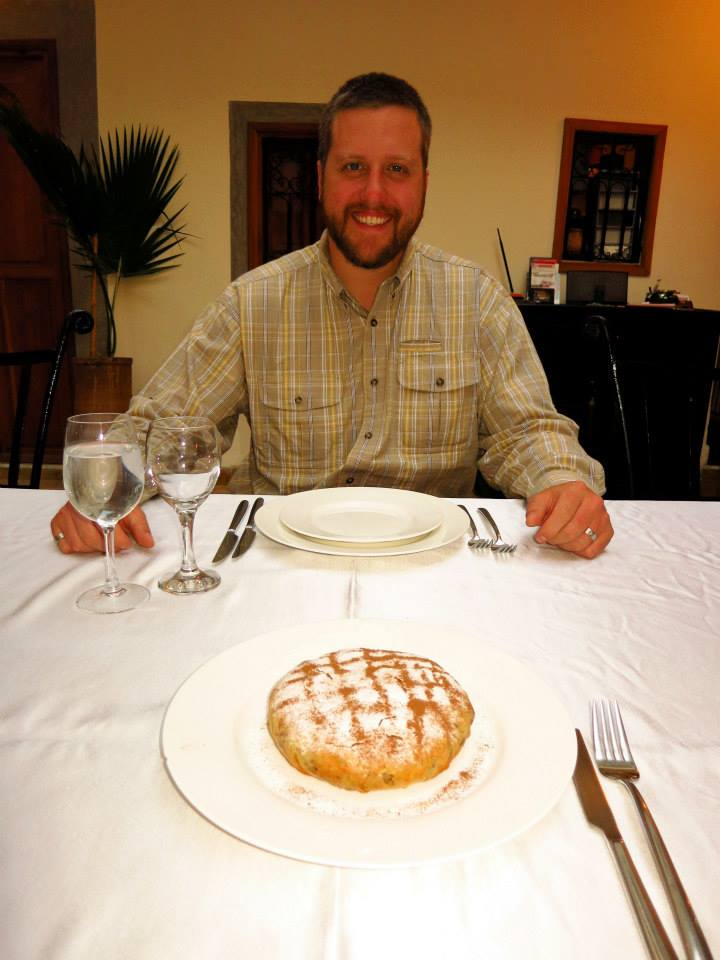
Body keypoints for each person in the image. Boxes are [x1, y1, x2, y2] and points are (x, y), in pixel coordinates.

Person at [51, 72, 613, 558]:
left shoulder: (478, 301)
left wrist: (563, 482)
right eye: (353, 166)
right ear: (321, 177)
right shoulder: (251, 304)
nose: (374, 194)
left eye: (397, 169)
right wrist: (103, 487)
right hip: (280, 565)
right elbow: (166, 425)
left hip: (433, 570)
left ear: (424, 181)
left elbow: (527, 431)